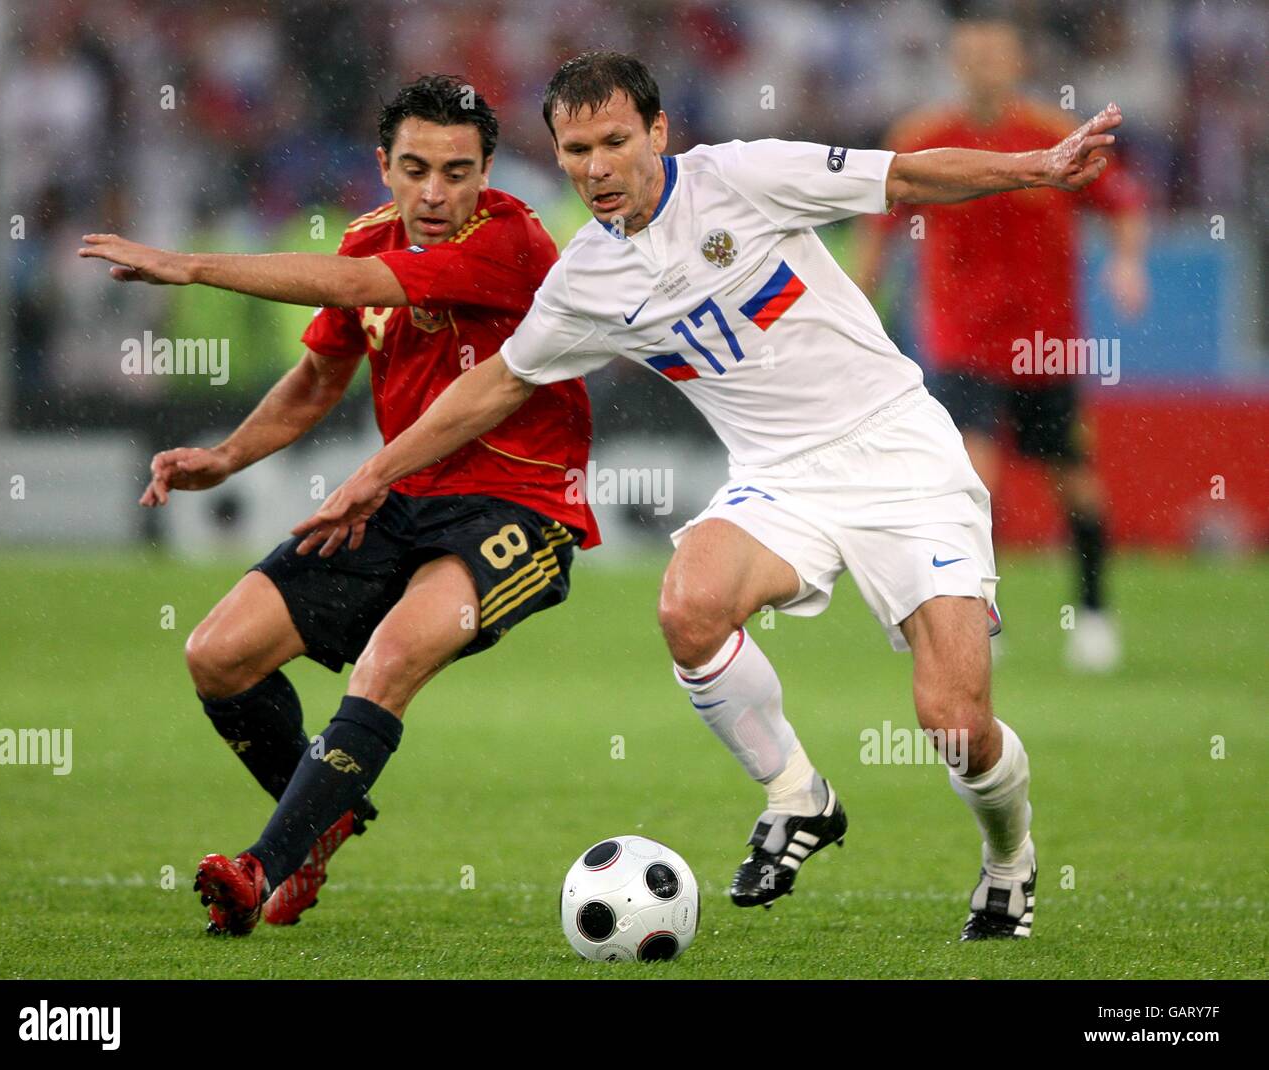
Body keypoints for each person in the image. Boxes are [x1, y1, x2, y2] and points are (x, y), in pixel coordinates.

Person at [83, 52, 1127, 941]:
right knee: (685, 605)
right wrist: (365, 475)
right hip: (776, 479)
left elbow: (908, 179)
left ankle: (1008, 856)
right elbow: (487, 387)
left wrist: (1036, 167)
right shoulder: (585, 278)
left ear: (658, 132)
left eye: (615, 145)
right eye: (577, 153)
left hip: (902, 457)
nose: (597, 170)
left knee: (952, 721)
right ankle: (796, 793)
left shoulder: (745, 177)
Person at [81, 75, 599, 935]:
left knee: (388, 662)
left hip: (520, 509)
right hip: (400, 497)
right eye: (417, 168)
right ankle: (323, 811)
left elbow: (368, 287)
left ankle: (262, 868)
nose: (437, 193)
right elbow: (321, 374)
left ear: (489, 172)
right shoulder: (367, 238)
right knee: (218, 655)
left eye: (459, 172)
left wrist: (194, 266)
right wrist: (226, 456)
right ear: (383, 165)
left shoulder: (511, 240)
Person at [857, 18, 1148, 672]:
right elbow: (880, 221)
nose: (983, 63)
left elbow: (1123, 202)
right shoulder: (922, 141)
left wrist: (1127, 262)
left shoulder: (1054, 137)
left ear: (1019, 59)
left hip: (1047, 344)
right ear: (956, 61)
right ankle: (982, 616)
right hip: (961, 343)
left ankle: (1095, 615)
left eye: (995, 51)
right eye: (971, 52)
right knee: (972, 481)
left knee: (1075, 484)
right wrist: (862, 295)